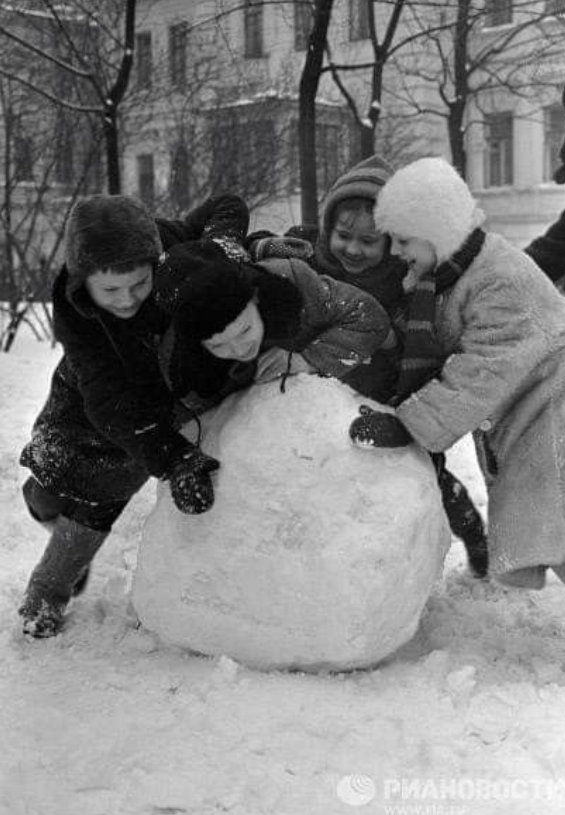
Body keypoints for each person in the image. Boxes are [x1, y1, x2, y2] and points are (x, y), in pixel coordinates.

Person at [19, 192, 249, 638]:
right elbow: (104, 398)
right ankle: (48, 508)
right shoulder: (74, 312)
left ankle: (48, 591)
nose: (127, 299)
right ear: (83, 281)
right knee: (48, 478)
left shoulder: (168, 241)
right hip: (91, 392)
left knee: (99, 496)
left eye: (140, 284)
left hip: (151, 403)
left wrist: (221, 249)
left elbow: (227, 204)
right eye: (110, 290)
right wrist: (170, 456)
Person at [251, 155, 489, 578]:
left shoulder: (405, 281)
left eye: (369, 241)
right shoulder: (309, 257)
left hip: (382, 396)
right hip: (318, 396)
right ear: (329, 228)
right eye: (344, 235)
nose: (353, 249)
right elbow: (266, 258)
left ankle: (470, 532)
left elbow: (415, 341)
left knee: (429, 476)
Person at [348, 156, 565, 590]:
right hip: (532, 418)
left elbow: (481, 370)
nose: (397, 251)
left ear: (438, 233)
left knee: (555, 522)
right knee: (551, 525)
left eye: (405, 239)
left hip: (554, 418)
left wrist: (411, 423)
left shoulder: (499, 279)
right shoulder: (453, 275)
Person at [153, 240, 395, 414]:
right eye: (218, 345)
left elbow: (368, 317)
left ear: (254, 296)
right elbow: (204, 425)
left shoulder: (290, 281)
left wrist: (310, 360)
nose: (238, 349)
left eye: (244, 330)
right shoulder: (183, 371)